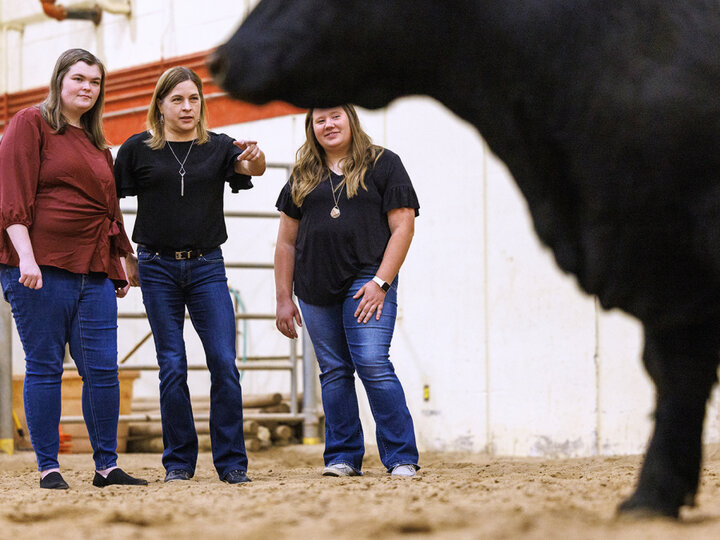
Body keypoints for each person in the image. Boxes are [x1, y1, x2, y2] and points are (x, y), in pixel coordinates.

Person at [0, 48, 147, 490]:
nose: (87, 87)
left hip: (93, 269)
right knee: (44, 365)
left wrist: (123, 258)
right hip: (39, 266)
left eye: (95, 81)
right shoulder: (31, 123)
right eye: (79, 78)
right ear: (59, 80)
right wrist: (25, 256)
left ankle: (107, 465)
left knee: (102, 368)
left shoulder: (98, 142)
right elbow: (11, 191)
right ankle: (49, 467)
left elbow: (109, 208)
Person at [114, 66, 266, 485]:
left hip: (206, 267)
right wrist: (125, 255)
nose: (186, 107)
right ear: (160, 105)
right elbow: (110, 205)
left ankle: (232, 462)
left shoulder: (218, 148)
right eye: (177, 99)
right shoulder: (136, 149)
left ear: (202, 104)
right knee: (172, 365)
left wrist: (256, 158)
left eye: (194, 99)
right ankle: (178, 462)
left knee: (223, 361)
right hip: (156, 267)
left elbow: (254, 168)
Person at [274, 105, 420, 477]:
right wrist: (283, 298)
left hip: (368, 280)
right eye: (319, 120)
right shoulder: (303, 174)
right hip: (313, 286)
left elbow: (403, 227)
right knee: (334, 371)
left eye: (335, 116)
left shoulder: (385, 164)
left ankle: (401, 456)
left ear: (350, 119)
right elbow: (286, 243)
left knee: (371, 361)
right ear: (312, 128)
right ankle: (342, 457)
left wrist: (381, 283)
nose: (328, 124)